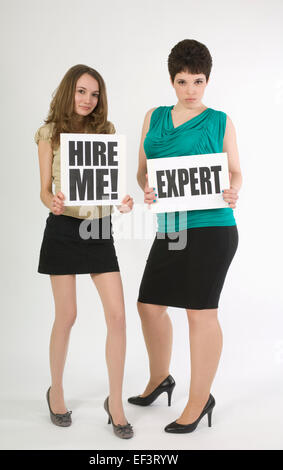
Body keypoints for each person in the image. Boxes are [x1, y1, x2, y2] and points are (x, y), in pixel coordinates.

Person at [128, 39, 242, 434]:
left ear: (207, 81)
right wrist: (146, 187)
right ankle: (161, 378)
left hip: (213, 226)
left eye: (198, 81)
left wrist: (233, 189)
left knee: (200, 312)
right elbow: (143, 171)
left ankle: (199, 398)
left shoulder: (219, 120)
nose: (191, 90)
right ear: (171, 81)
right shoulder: (153, 117)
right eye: (183, 81)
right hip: (171, 226)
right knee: (148, 305)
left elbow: (236, 171)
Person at [35, 64, 134, 439]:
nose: (87, 100)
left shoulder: (105, 131)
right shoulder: (48, 133)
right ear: (68, 92)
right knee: (67, 315)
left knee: (118, 317)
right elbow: (44, 190)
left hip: (98, 228)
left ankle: (116, 402)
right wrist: (53, 202)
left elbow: (110, 186)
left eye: (94, 94)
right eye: (81, 91)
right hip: (62, 229)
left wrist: (121, 201)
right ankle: (56, 392)